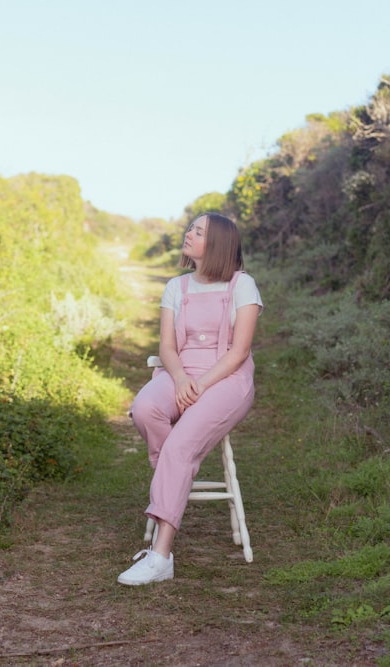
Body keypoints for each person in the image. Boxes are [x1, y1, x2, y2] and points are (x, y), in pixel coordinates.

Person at [118, 212, 262, 586]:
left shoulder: (242, 286)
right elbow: (167, 347)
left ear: (216, 244)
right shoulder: (176, 287)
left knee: (180, 445)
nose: (189, 233)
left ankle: (161, 557)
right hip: (180, 372)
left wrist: (199, 386)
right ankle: (175, 474)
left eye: (199, 231)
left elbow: (239, 352)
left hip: (227, 378)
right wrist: (181, 378)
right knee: (146, 409)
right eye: (191, 228)